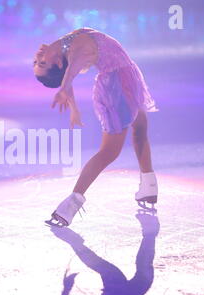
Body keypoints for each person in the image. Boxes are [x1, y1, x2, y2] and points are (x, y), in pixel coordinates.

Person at [33, 28, 159, 227]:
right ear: (56, 62)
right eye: (42, 63)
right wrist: (64, 90)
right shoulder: (76, 49)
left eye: (37, 63)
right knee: (109, 151)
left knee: (140, 126)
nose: (38, 57)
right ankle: (70, 205)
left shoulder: (66, 46)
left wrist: (74, 108)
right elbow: (71, 72)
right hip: (117, 87)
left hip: (124, 77)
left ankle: (149, 186)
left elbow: (68, 73)